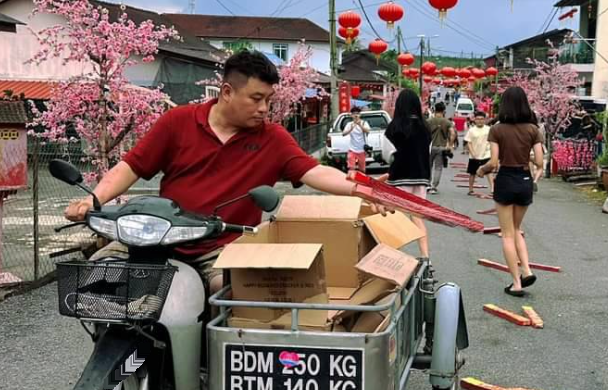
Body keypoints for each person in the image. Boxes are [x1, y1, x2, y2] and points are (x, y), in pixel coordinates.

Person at [64, 49, 361, 289]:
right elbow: (130, 167)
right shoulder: (177, 122)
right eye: (256, 99)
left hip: (221, 249)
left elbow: (315, 172)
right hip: (160, 239)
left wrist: (361, 188)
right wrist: (93, 200)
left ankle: (215, 362)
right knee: (99, 276)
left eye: (268, 100)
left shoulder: (273, 139)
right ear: (227, 92)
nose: (264, 109)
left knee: (234, 294)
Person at [478, 85, 544, 297]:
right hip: (525, 180)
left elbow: (494, 162)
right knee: (516, 229)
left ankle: (516, 283)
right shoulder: (533, 130)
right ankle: (526, 270)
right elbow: (540, 161)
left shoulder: (497, 129)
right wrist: (527, 156)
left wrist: (482, 169)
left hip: (506, 179)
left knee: (506, 234)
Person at [384, 90, 432, 257]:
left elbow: (388, 154)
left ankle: (394, 255)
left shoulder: (394, 127)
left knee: (395, 217)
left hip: (399, 177)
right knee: (417, 218)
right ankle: (426, 258)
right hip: (421, 178)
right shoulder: (425, 128)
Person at [426, 102, 456, 195]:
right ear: (444, 111)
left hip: (430, 147)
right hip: (442, 148)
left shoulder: (429, 121)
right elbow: (453, 133)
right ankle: (434, 186)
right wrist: (450, 145)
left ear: (434, 109)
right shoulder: (447, 122)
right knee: (438, 167)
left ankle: (428, 184)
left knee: (428, 166)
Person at [463, 110, 492, 195]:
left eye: (482, 119)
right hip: (474, 155)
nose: (480, 121)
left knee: (488, 172)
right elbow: (469, 142)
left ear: (485, 120)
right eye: (478, 119)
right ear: (475, 120)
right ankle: (470, 189)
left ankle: (493, 189)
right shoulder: (471, 130)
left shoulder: (489, 129)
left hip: (486, 154)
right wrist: (472, 153)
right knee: (472, 173)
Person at [346, 110, 368, 175]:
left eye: (357, 113)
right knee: (351, 168)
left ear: (360, 115)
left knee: (362, 170)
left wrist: (360, 125)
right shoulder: (349, 124)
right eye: (354, 114)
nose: (356, 115)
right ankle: (351, 181)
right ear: (351, 115)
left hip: (362, 150)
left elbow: (367, 131)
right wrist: (351, 129)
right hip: (352, 149)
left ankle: (362, 182)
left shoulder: (364, 123)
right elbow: (343, 134)